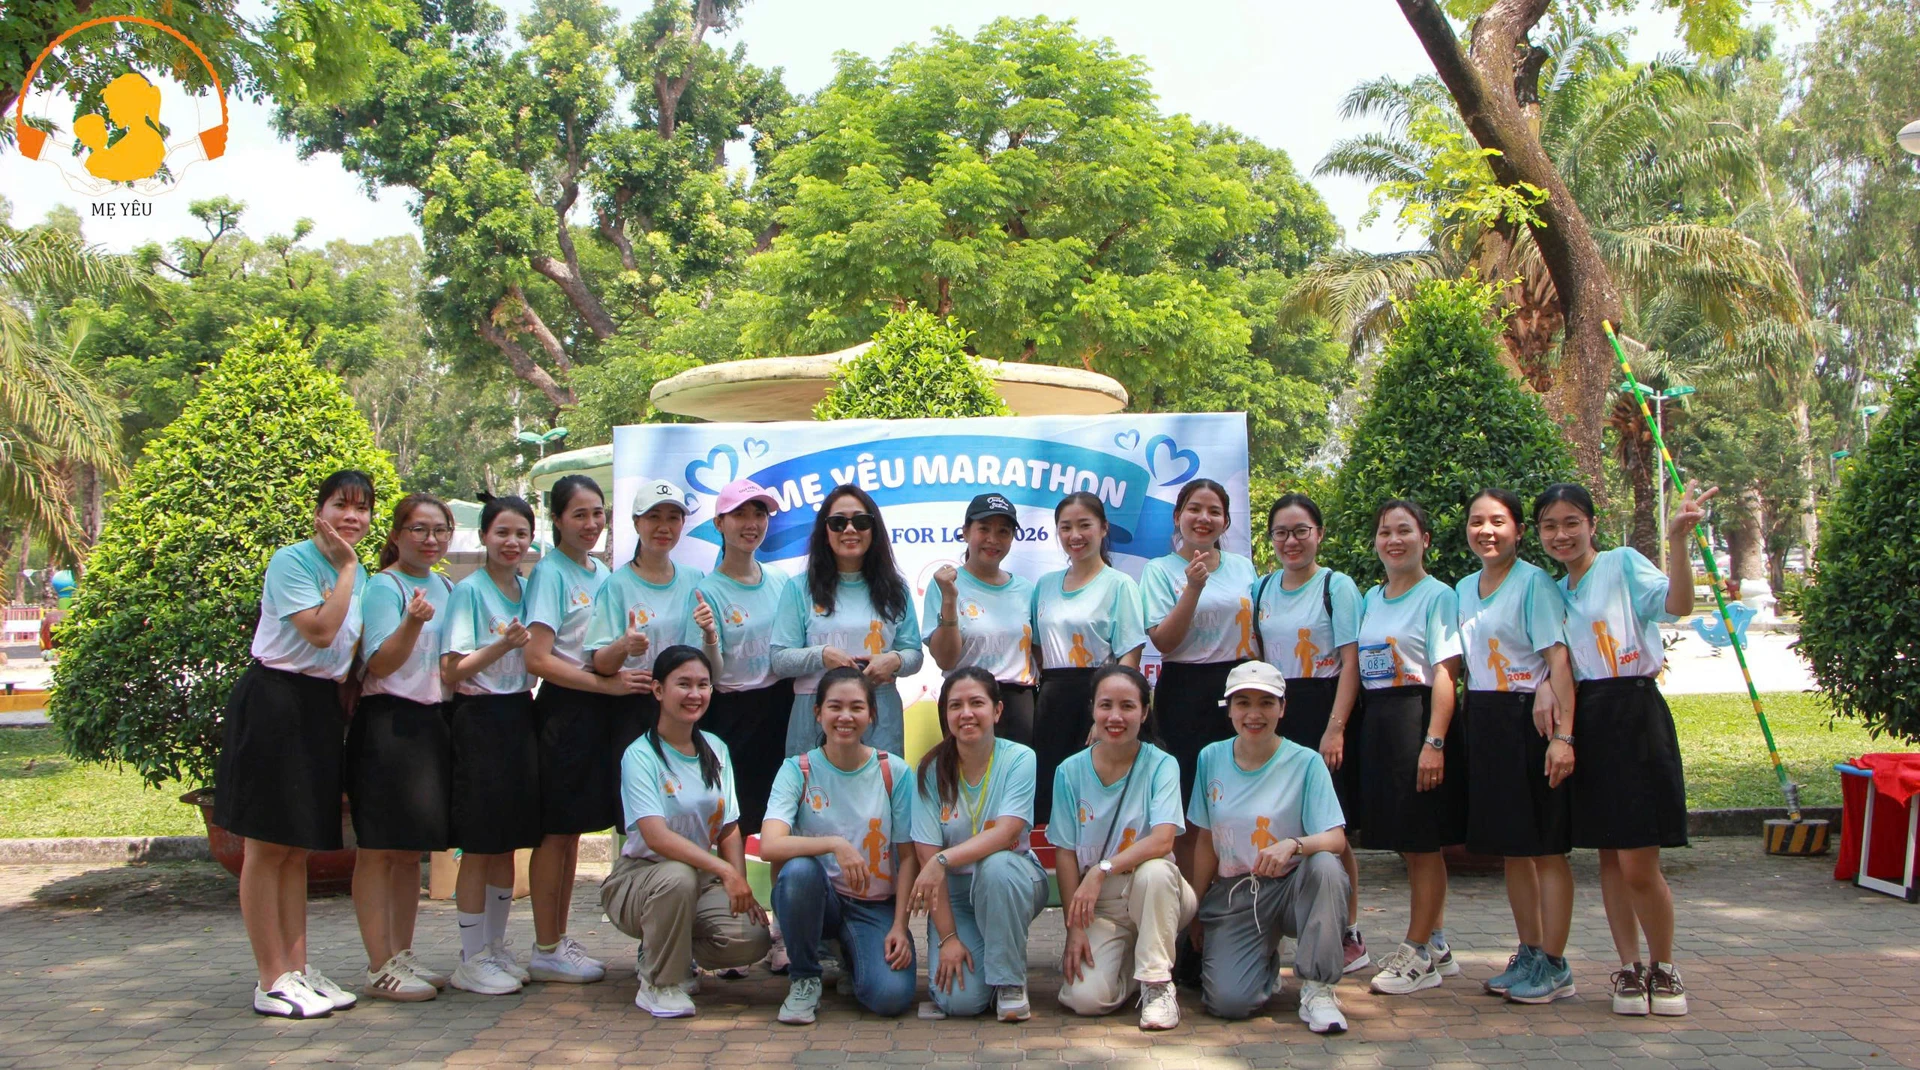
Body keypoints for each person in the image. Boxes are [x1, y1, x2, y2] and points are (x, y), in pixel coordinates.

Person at [1536, 481, 1712, 1018]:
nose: (1562, 534)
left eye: (1571, 522)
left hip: (1633, 711)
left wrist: (1677, 542)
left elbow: (1677, 606)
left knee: (1639, 860)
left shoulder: (1622, 564)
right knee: (1609, 856)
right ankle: (1630, 968)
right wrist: (1547, 684)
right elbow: (1556, 657)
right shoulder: (1552, 590)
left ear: (1592, 524)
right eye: (1550, 526)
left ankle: (1665, 964)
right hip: (1585, 716)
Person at [214, 470, 375, 1019]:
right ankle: (270, 978)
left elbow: (353, 652)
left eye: (361, 509)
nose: (352, 518)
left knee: (297, 846)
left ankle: (298, 969)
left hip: (319, 708)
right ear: (320, 511)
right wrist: (349, 569)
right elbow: (321, 632)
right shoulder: (293, 561)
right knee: (267, 846)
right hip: (275, 701)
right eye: (341, 506)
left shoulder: (363, 574)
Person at [599, 646, 773, 1018]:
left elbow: (729, 828)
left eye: (703, 684)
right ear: (659, 690)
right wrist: (724, 871)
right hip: (640, 879)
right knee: (677, 877)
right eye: (683, 684)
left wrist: (738, 883)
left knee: (751, 938)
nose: (695, 694)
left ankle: (668, 948)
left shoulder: (717, 749)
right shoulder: (640, 755)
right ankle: (659, 982)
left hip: (697, 880)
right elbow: (655, 836)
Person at [1455, 489, 1579, 1006]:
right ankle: (1528, 951)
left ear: (1519, 531)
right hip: (1483, 718)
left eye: (1498, 522)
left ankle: (1555, 962)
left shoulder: (1535, 583)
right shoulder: (1464, 587)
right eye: (1477, 521)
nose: (1487, 530)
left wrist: (1563, 736)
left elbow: (1560, 658)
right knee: (1513, 849)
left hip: (1531, 719)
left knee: (1546, 847)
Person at [1186, 661, 1352, 1033]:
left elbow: (1336, 838)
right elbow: (1205, 840)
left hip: (1295, 886)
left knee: (1325, 865)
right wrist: (1195, 908)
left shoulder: (1306, 762)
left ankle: (1319, 988)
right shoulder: (1210, 758)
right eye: (1242, 703)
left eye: (1266, 703)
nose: (1254, 714)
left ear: (1282, 708)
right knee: (1228, 1003)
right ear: (1228, 709)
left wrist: (1293, 845)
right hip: (1238, 891)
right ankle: (1264, 962)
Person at [523, 476, 640, 985]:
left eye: (597, 513)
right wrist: (603, 686)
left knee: (575, 835)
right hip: (568, 709)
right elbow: (538, 658)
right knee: (557, 832)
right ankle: (546, 945)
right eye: (579, 515)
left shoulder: (601, 573)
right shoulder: (550, 574)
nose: (591, 524)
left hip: (604, 709)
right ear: (556, 520)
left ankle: (556, 939)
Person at [760, 667, 919, 1024]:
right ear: (817, 713)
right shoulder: (797, 769)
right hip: (821, 899)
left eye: (856, 707)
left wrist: (899, 926)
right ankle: (804, 977)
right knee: (799, 871)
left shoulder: (893, 771)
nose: (845, 717)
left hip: (875, 905)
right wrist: (834, 844)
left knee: (890, 998)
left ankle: (850, 955)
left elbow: (909, 858)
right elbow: (769, 845)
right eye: (835, 707)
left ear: (871, 714)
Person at [1251, 493, 1369, 974]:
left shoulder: (1336, 586)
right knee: (1283, 819)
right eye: (1281, 532)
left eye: (1301, 531)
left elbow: (1351, 663)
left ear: (1319, 534)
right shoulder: (1261, 589)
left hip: (1325, 708)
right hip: (1280, 708)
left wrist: (1335, 729)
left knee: (1329, 827)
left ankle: (1348, 931)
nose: (1291, 541)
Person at [348, 493, 457, 1003]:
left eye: (439, 529)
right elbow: (382, 664)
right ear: (395, 535)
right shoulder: (382, 587)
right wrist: (412, 621)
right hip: (386, 724)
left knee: (408, 851)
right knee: (377, 849)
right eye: (418, 529)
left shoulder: (447, 586)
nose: (430, 539)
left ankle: (402, 952)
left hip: (430, 723)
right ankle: (378, 965)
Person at [1356, 499, 1467, 997]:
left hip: (1419, 718)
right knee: (1407, 839)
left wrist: (1435, 742)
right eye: (1384, 532)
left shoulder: (1438, 595)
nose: (1393, 540)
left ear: (1424, 538)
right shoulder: (1371, 597)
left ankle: (1418, 950)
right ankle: (1438, 942)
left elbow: (1447, 672)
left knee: (1423, 842)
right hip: (1379, 719)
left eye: (1404, 530)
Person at [1051, 665, 1194, 1031]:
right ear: (1093, 711)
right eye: (1106, 706)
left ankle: (1157, 984)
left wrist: (1103, 868)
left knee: (1156, 869)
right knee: (1085, 1000)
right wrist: (1074, 929)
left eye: (1128, 706)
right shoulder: (1069, 771)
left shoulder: (1162, 765)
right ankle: (1135, 962)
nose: (1115, 717)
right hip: (1102, 905)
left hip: (1157, 891)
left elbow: (1163, 840)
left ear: (1144, 713)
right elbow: (1065, 853)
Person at [440, 495, 543, 996]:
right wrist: (503, 644)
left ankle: (496, 947)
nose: (512, 542)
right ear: (483, 536)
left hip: (519, 712)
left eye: (521, 534)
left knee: (507, 839)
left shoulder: (528, 589)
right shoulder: (470, 592)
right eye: (502, 532)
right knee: (480, 842)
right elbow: (451, 670)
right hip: (478, 716)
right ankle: (470, 957)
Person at [908, 668, 1048, 1022]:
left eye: (977, 703)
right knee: (961, 1003)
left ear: (997, 711)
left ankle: (1010, 983)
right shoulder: (929, 771)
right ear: (946, 715)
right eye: (955, 705)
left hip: (1013, 879)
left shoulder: (1019, 758)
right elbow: (927, 863)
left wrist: (942, 859)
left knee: (996, 866)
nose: (966, 713)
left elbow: (1006, 833)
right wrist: (949, 938)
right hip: (954, 894)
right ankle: (991, 962)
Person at [586, 479, 723, 830]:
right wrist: (623, 646)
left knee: (688, 804)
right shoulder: (617, 585)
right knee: (638, 814)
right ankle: (636, 881)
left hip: (686, 709)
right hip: (635, 709)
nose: (664, 527)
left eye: (674, 518)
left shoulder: (696, 579)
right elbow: (599, 663)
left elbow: (707, 656)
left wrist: (710, 635)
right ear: (636, 523)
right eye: (654, 517)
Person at [771, 484, 923, 758]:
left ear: (874, 529)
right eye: (838, 522)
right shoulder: (798, 588)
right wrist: (822, 655)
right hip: (816, 716)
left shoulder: (895, 589)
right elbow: (779, 660)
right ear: (824, 531)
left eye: (861, 521)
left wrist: (895, 661)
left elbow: (914, 654)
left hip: (880, 714)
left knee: (879, 793)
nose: (850, 530)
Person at [1141, 479, 1260, 808]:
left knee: (1240, 790)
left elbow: (1255, 632)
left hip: (1239, 685)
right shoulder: (1159, 570)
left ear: (1226, 521)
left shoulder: (1242, 567)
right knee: (1189, 793)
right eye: (1194, 509)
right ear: (1178, 515)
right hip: (1184, 689)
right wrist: (1192, 588)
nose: (1203, 518)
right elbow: (1164, 642)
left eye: (1214, 511)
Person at [1031, 492, 1147, 823]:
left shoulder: (1120, 585)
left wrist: (1107, 712)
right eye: (1066, 527)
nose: (1075, 535)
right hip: (1052, 701)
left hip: (1098, 698)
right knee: (1051, 797)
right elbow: (1038, 647)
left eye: (1085, 525)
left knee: (1096, 796)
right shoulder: (1045, 585)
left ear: (1103, 528)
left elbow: (1130, 656)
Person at [695, 479, 796, 839]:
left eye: (759, 513)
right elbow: (712, 673)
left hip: (781, 707)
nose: (751, 523)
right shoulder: (707, 590)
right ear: (719, 523)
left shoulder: (781, 581)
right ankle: (732, 892)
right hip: (731, 713)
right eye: (739, 514)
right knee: (732, 816)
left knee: (782, 813)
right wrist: (709, 639)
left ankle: (779, 895)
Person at [924, 493, 1038, 743]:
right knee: (965, 778)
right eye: (983, 529)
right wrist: (950, 600)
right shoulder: (944, 585)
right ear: (965, 532)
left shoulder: (1027, 590)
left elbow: (1039, 654)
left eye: (1003, 531)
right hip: (965, 697)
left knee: (1017, 777)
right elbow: (945, 659)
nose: (992, 540)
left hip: (1018, 702)